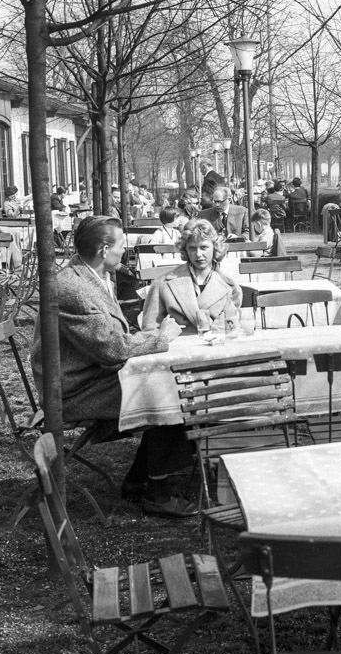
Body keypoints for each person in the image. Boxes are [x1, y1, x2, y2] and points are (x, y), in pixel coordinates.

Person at [29, 215, 195, 518]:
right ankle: (157, 494)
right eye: (121, 245)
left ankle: (140, 480)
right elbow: (113, 350)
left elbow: (112, 340)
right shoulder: (75, 289)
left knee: (171, 380)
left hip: (93, 377)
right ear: (104, 250)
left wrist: (149, 337)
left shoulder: (90, 276)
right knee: (173, 392)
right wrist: (160, 339)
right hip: (74, 392)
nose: (125, 251)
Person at [141, 218, 242, 336]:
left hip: (215, 345)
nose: (198, 254)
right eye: (192, 248)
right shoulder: (163, 285)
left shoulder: (230, 288)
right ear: (185, 250)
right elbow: (150, 331)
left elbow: (232, 330)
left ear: (215, 248)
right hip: (176, 345)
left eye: (204, 247)